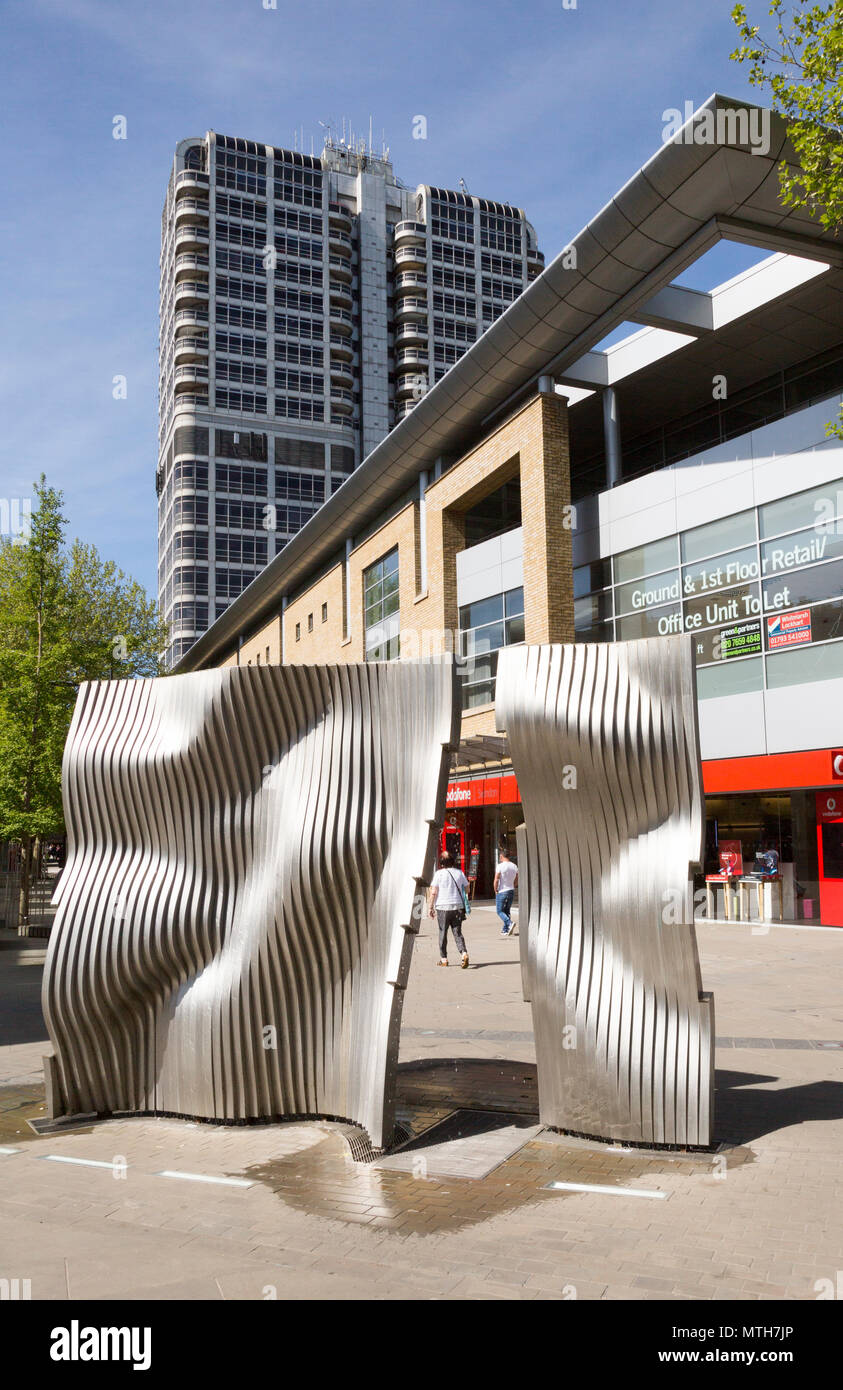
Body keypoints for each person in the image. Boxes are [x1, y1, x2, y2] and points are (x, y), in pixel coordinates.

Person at [429, 850, 470, 968]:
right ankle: (464, 953)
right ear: (452, 861)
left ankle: (444, 959)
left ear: (442, 863)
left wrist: (430, 907)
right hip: (457, 907)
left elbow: (433, 892)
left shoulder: (438, 874)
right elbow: (467, 889)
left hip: (443, 907)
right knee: (457, 932)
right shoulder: (459, 873)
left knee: (443, 932)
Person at [494, 847, 518, 936]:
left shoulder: (500, 866)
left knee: (499, 911)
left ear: (501, 856)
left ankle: (509, 923)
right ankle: (505, 929)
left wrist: (495, 889)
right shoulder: (514, 866)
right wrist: (513, 886)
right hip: (511, 890)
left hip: (502, 891)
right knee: (507, 910)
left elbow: (496, 879)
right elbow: (517, 879)